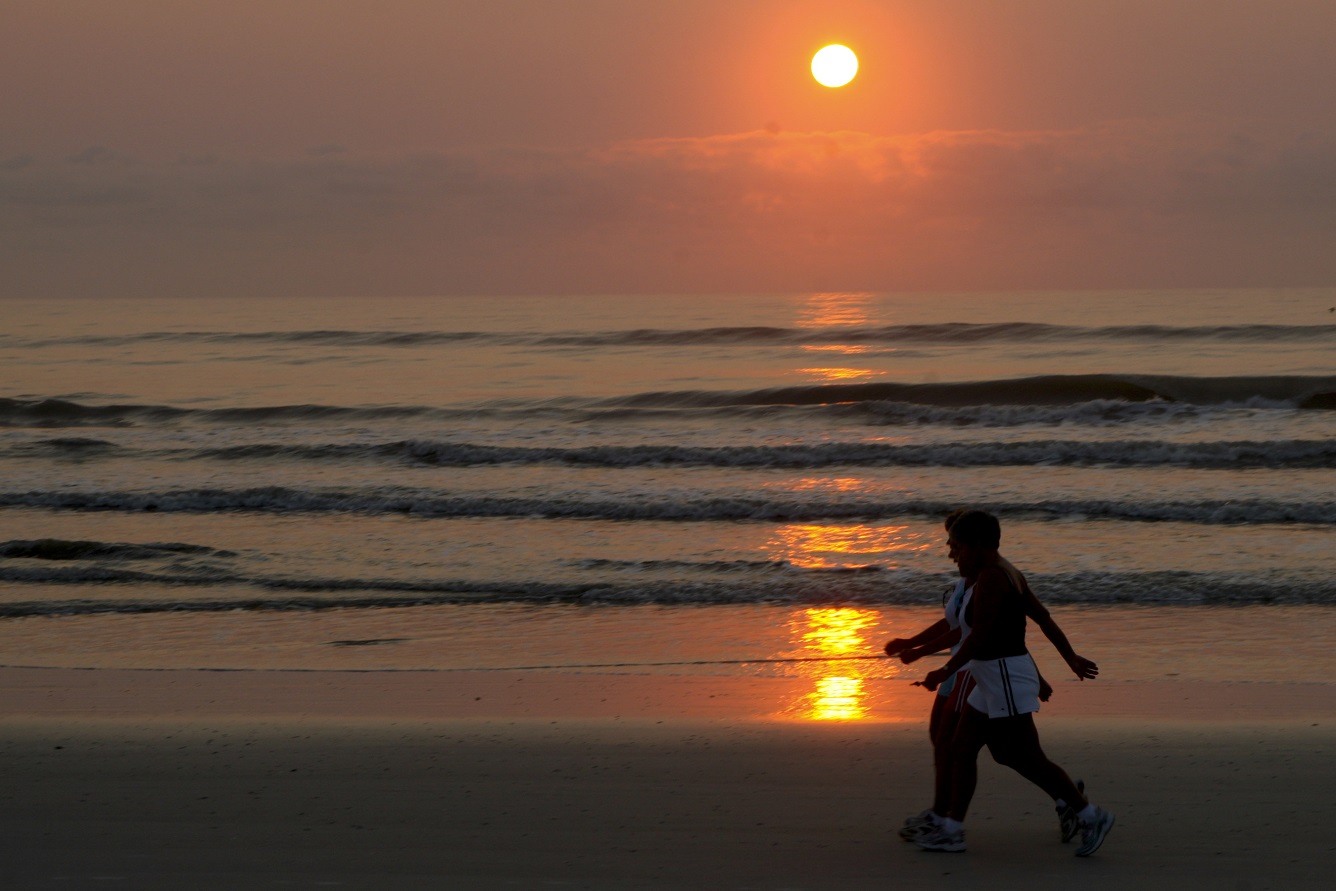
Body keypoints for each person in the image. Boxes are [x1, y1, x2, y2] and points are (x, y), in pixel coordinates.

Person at [885, 510, 1096, 846]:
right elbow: (981, 629)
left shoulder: (993, 578)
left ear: (976, 544)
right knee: (986, 750)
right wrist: (915, 646)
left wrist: (939, 665)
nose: (951, 552)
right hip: (984, 673)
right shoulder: (976, 578)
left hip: (981, 671)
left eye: (956, 545)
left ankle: (1078, 807)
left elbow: (986, 635)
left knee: (1006, 752)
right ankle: (951, 823)